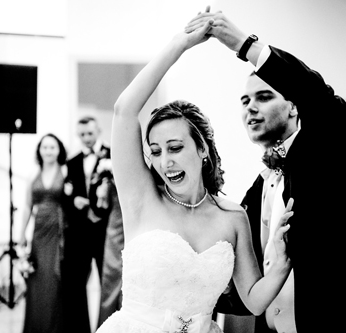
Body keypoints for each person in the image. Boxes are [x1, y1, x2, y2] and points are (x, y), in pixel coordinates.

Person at [186, 9, 346, 333]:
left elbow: (321, 99)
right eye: (244, 100)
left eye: (264, 97)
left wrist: (243, 44)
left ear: (295, 105)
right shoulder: (259, 185)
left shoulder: (327, 148)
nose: (250, 107)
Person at [96, 12, 294, 333]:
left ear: (202, 149)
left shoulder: (232, 217)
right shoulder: (141, 198)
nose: (165, 162)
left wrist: (283, 260)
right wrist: (181, 44)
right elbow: (124, 110)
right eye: (156, 151)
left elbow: (254, 301)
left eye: (175, 148)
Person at [63, 116, 111, 333]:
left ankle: (108, 327)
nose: (86, 138)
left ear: (98, 130)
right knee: (76, 285)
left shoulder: (112, 156)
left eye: (90, 133)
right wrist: (74, 201)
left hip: (106, 230)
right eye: (82, 134)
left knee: (107, 281)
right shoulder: (72, 162)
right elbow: (65, 196)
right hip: (80, 232)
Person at [18, 133, 68, 333]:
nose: (48, 151)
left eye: (52, 147)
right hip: (39, 233)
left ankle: (55, 327)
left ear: (59, 150)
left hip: (59, 232)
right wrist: (21, 235)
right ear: (39, 150)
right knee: (37, 280)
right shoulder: (33, 174)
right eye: (45, 147)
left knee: (55, 280)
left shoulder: (65, 171)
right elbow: (27, 206)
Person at [89, 163, 125, 327]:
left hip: (139, 225)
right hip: (116, 227)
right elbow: (101, 206)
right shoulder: (109, 167)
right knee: (111, 276)